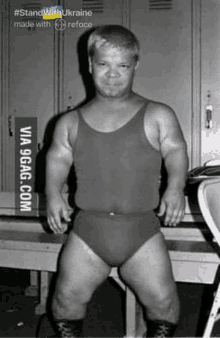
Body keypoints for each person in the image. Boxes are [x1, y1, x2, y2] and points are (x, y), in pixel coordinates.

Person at [46, 25, 188, 338]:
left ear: (135, 65)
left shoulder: (158, 114)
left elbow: (176, 150)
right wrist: (53, 194)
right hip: (89, 231)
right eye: (104, 65)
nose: (113, 75)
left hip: (140, 231)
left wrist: (176, 187)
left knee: (165, 306)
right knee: (64, 303)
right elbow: (57, 158)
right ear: (89, 65)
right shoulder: (68, 122)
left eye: (122, 65)